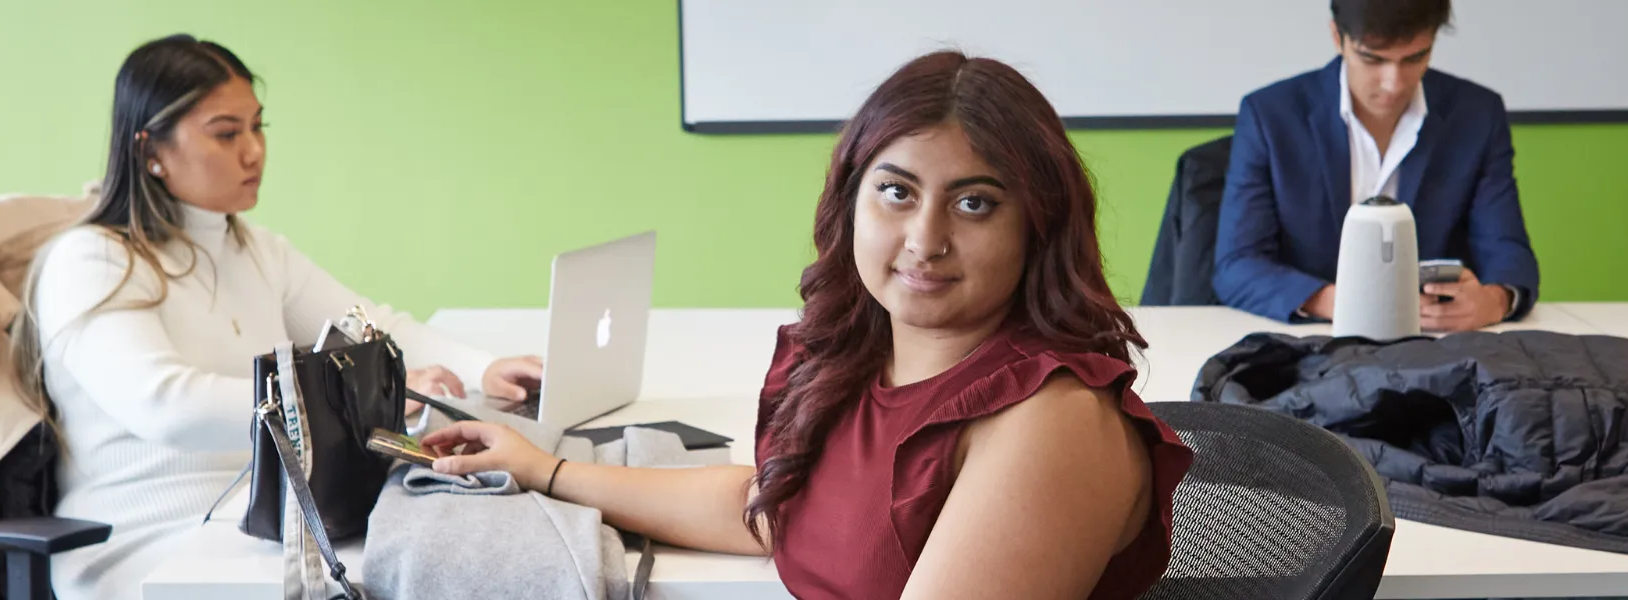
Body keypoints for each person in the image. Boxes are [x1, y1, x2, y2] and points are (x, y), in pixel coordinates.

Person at [422, 51, 1193, 600]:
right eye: (897, 192)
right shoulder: (858, 360)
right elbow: (768, 512)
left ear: (1039, 224)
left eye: (975, 203)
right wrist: (545, 470)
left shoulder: (1049, 420)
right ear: (850, 201)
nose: (925, 239)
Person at [10, 35, 543, 599]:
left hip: (268, 517)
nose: (253, 151)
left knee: (477, 549)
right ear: (150, 151)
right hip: (144, 543)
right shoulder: (92, 261)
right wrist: (352, 402)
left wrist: (484, 369)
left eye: (257, 127)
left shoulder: (257, 251)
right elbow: (166, 406)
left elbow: (373, 330)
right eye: (226, 133)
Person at [1213, 0, 1540, 331]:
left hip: (1431, 343)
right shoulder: (1271, 115)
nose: (1393, 83)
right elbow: (1237, 265)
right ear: (1337, 37)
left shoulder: (1477, 114)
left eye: (1415, 58)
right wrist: (1342, 303)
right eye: (1372, 59)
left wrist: (1495, 300)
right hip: (1309, 338)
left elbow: (1508, 251)